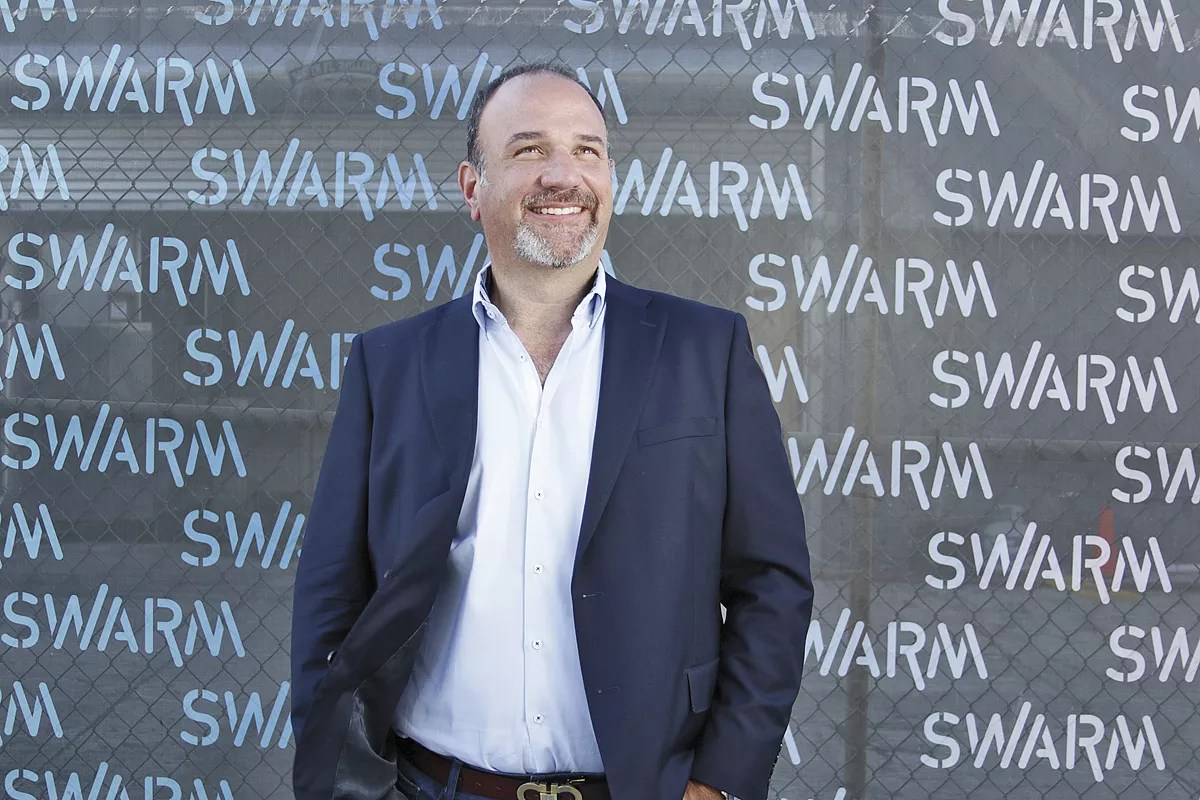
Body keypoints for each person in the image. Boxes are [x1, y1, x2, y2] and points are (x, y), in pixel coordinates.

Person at [290, 61, 814, 800]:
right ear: (472, 189)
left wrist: (721, 780)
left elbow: (771, 583)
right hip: (432, 786)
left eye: (586, 150)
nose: (563, 175)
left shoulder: (706, 350)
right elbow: (332, 591)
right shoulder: (391, 364)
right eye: (529, 149)